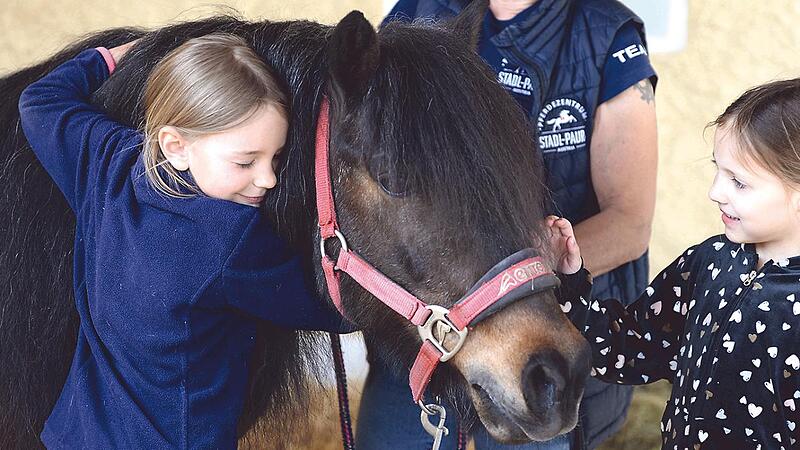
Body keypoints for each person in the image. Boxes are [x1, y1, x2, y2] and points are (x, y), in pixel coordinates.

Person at [18, 34, 350, 449]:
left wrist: (110, 57)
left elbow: (40, 101)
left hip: (76, 436)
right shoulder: (230, 239)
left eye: (276, 159)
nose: (268, 179)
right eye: (246, 161)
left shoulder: (109, 163)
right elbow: (329, 310)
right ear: (176, 145)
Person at [356, 0, 658, 448]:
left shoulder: (605, 34)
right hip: (429, 335)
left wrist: (521, 269)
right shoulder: (416, 11)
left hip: (540, 335)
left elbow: (629, 223)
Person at [550, 78, 800, 449]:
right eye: (718, 170)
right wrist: (569, 280)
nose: (715, 192)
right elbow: (628, 349)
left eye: (740, 183)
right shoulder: (709, 262)